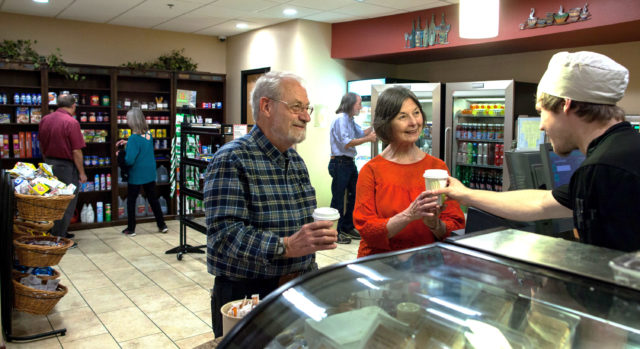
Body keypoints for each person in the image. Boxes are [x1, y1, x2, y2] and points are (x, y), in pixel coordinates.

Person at [432, 51, 640, 252]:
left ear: (566, 105)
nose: (541, 126)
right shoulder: (624, 149)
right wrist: (464, 194)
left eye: (542, 112)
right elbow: (541, 203)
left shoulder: (603, 170)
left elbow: (614, 270)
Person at [203, 71, 338, 337]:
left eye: (306, 108)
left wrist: (311, 242)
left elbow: (298, 228)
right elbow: (223, 237)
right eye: (296, 107)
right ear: (266, 106)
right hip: (248, 296)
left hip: (298, 286)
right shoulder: (232, 159)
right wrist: (286, 246)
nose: (307, 117)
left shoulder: (295, 162)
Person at [353, 86, 465, 258]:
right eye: (403, 116)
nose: (414, 122)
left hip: (427, 266)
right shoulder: (371, 170)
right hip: (381, 264)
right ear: (386, 123)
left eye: (416, 113)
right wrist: (408, 215)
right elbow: (367, 230)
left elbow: (456, 226)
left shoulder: (437, 167)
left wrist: (435, 225)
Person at [38, 93, 87, 244]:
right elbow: (76, 151)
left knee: (53, 200)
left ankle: (56, 232)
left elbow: (41, 144)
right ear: (73, 106)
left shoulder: (45, 119)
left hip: (49, 164)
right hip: (66, 166)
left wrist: (46, 162)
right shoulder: (71, 122)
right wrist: (82, 172)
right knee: (67, 201)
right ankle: (59, 237)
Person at [329, 92, 377, 244]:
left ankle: (347, 226)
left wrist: (376, 124)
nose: (361, 107)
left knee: (355, 195)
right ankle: (334, 233)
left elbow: (361, 132)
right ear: (350, 104)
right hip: (340, 163)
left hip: (349, 163)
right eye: (359, 104)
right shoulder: (340, 119)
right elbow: (347, 142)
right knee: (337, 199)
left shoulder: (350, 120)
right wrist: (368, 139)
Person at [115, 108, 167, 237]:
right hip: (149, 172)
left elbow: (129, 160)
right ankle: (162, 225)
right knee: (153, 198)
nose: (126, 121)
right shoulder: (148, 134)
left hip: (137, 174)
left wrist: (120, 154)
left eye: (127, 119)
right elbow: (142, 144)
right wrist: (128, 143)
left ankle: (131, 229)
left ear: (133, 121)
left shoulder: (134, 138)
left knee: (131, 201)